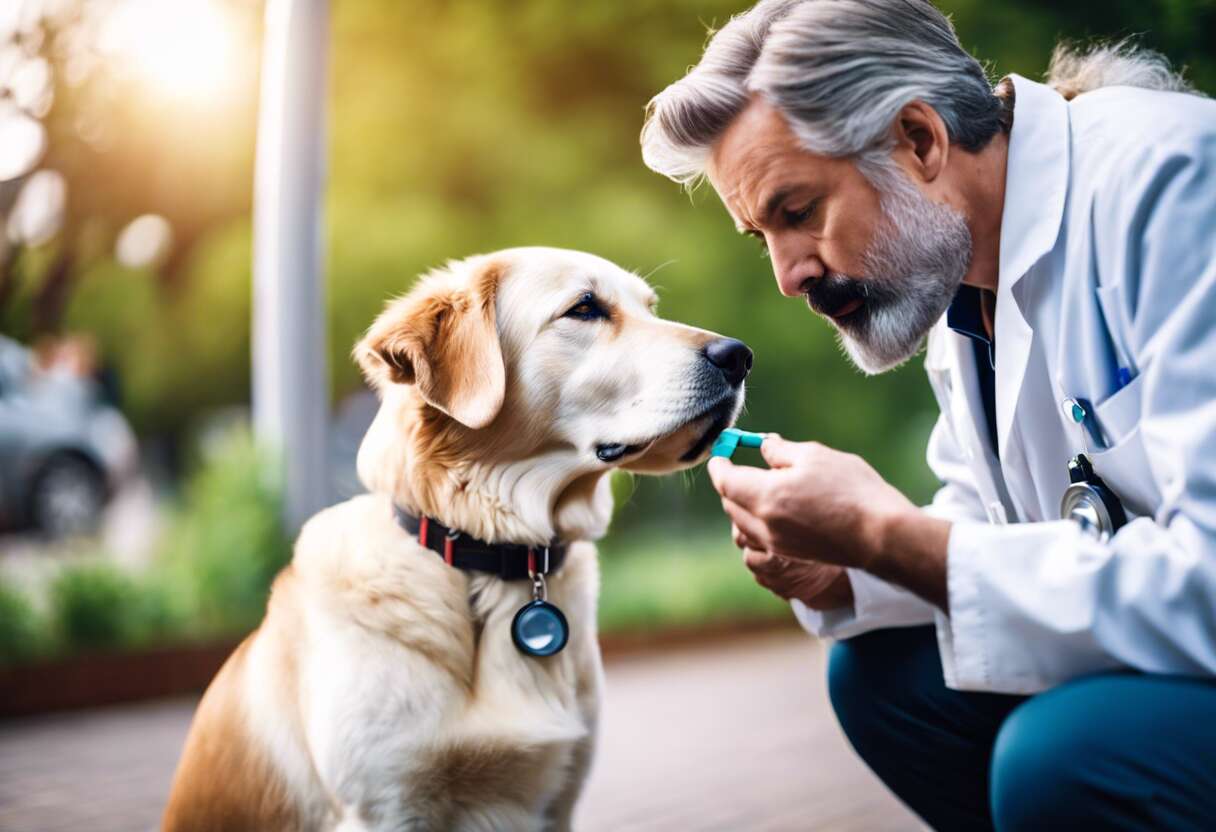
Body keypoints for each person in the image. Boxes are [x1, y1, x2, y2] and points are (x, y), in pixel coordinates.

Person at [641, 1, 1216, 829]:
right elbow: (996, 526)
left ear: (918, 138)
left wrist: (889, 537)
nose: (787, 275)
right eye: (759, 235)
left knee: (1063, 755)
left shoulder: (1173, 184)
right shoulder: (958, 277)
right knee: (888, 678)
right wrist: (847, 570)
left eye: (798, 212)